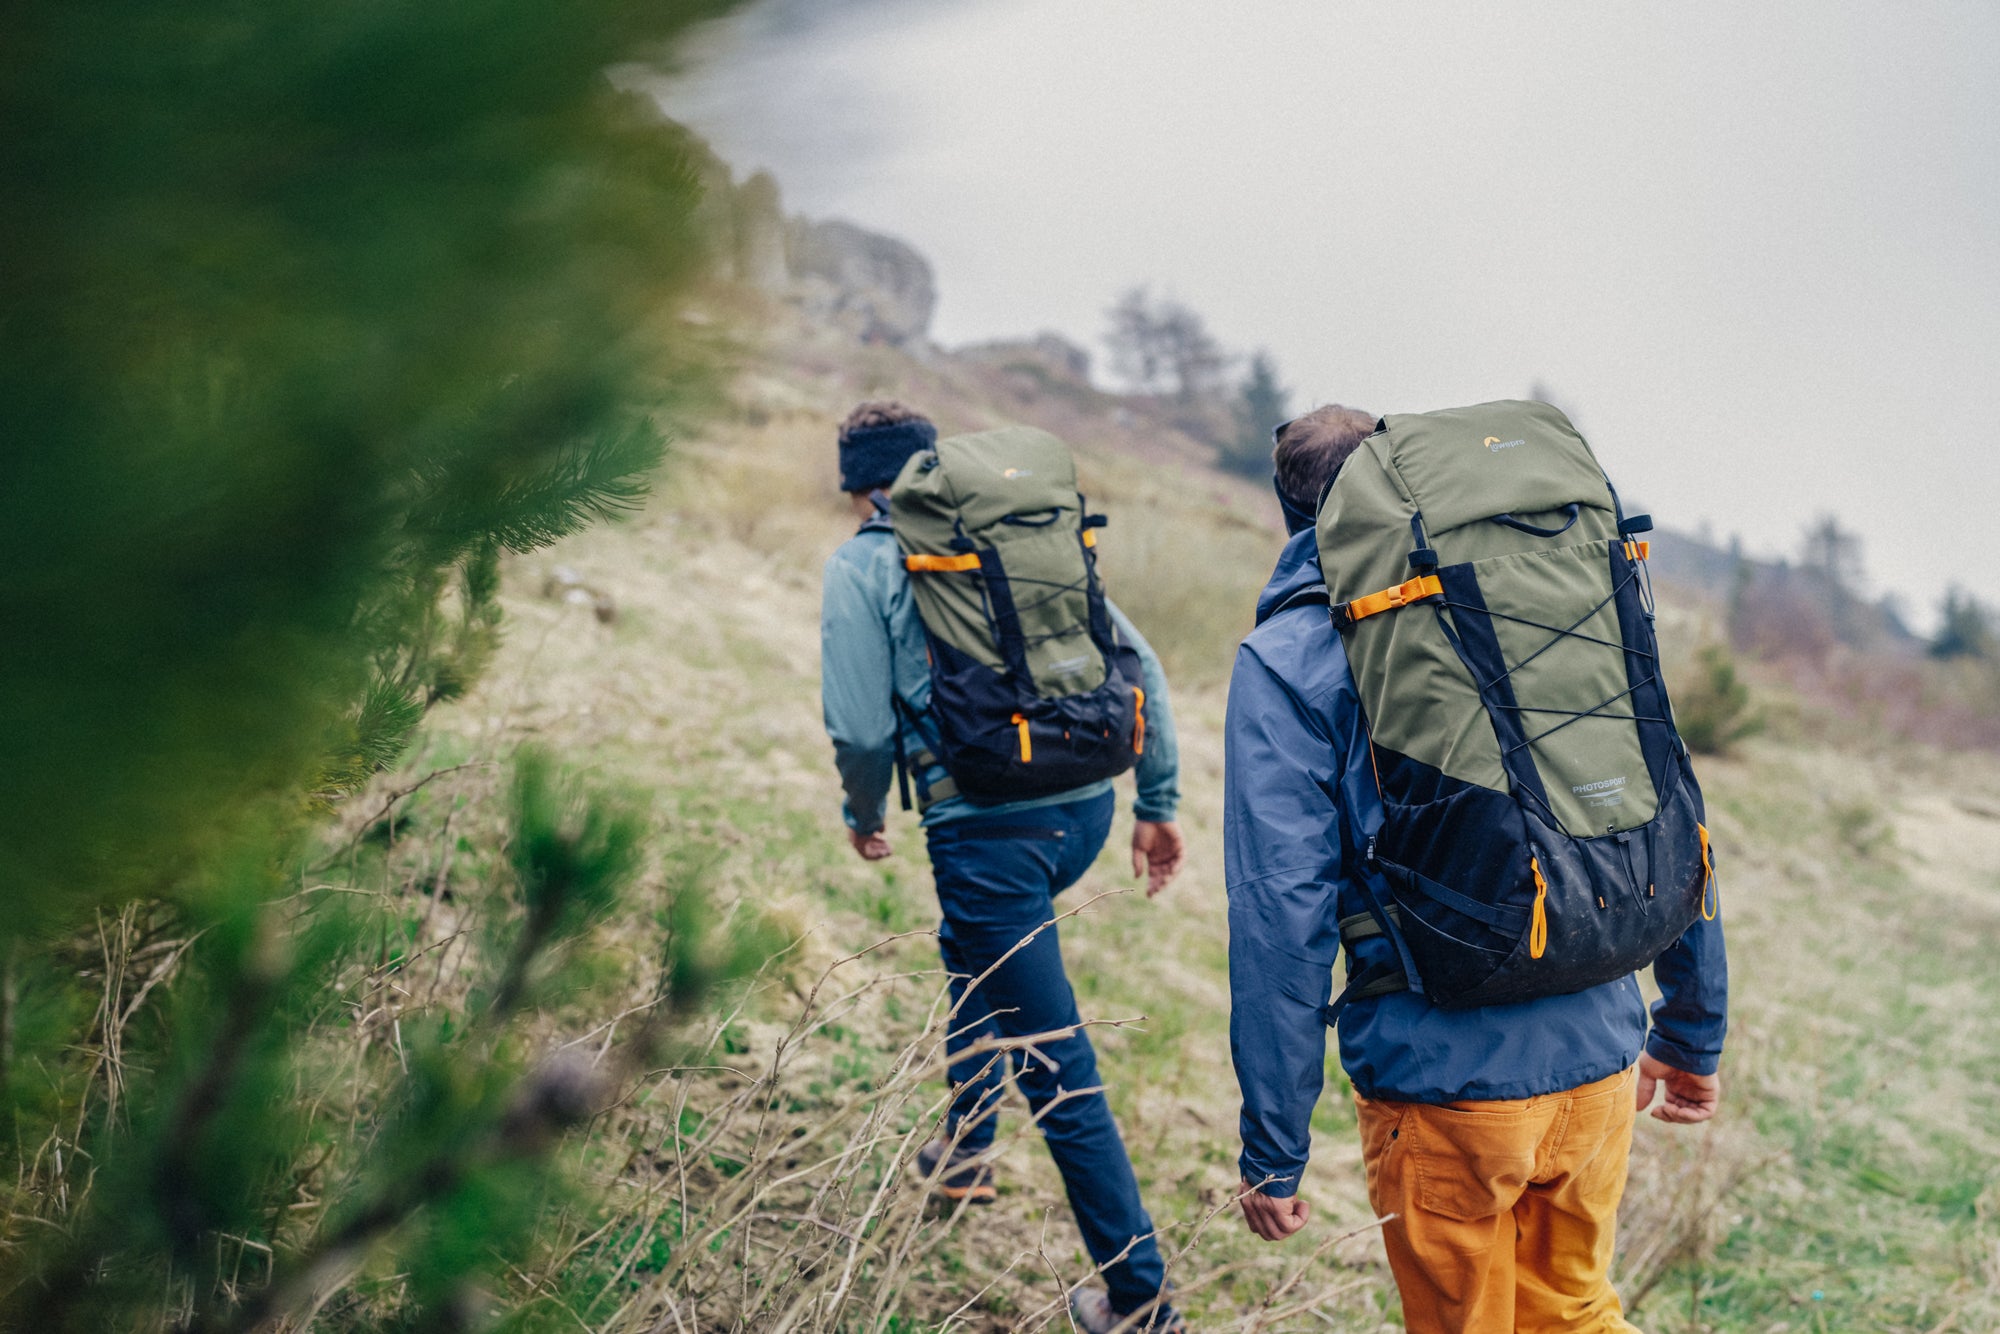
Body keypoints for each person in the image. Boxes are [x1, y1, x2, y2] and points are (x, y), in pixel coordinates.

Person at [1224, 405, 1729, 1333]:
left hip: (1442, 1081)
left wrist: (1272, 1150)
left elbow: (1278, 914)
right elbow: (1658, 802)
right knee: (1574, 1310)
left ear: (1292, 516)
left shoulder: (1288, 657)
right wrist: (1692, 1031)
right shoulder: (1551, 597)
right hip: (1602, 1054)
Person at [819, 400, 1189, 1333]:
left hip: (987, 834)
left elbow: (861, 727)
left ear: (860, 489)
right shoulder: (1020, 543)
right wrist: (1156, 802)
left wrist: (863, 812)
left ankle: (1141, 1299)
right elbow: (1138, 661)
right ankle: (965, 1151)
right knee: (977, 954)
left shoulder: (865, 563)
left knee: (1055, 1062)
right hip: (1084, 807)